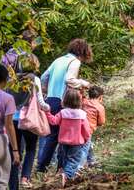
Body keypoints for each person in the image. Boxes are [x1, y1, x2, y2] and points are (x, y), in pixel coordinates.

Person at [37, 39, 92, 174]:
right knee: (63, 135)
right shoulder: (75, 61)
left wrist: (47, 91)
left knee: (52, 136)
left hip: (50, 99)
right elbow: (69, 80)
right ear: (83, 51)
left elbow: (44, 77)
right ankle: (62, 168)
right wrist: (84, 83)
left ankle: (42, 167)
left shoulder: (58, 60)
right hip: (63, 101)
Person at [9, 54, 50, 189]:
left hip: (14, 120)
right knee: (31, 149)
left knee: (15, 152)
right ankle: (25, 178)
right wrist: (47, 107)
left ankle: (13, 184)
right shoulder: (34, 79)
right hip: (29, 120)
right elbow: (39, 100)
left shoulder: (12, 79)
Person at [44, 89, 91, 187]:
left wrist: (47, 112)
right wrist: (86, 140)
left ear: (65, 100)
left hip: (63, 142)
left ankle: (62, 175)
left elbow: (53, 121)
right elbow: (87, 130)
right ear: (79, 101)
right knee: (73, 161)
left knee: (64, 158)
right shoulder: (82, 115)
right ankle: (66, 175)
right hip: (76, 143)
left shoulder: (63, 112)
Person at [0, 64, 20, 190]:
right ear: (5, 79)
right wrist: (15, 151)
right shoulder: (8, 98)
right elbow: (9, 125)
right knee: (0, 181)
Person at [81, 86, 105, 167]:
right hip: (88, 130)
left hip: (77, 127)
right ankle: (81, 167)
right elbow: (101, 122)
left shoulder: (83, 102)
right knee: (84, 148)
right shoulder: (100, 107)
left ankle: (91, 160)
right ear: (100, 97)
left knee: (87, 145)